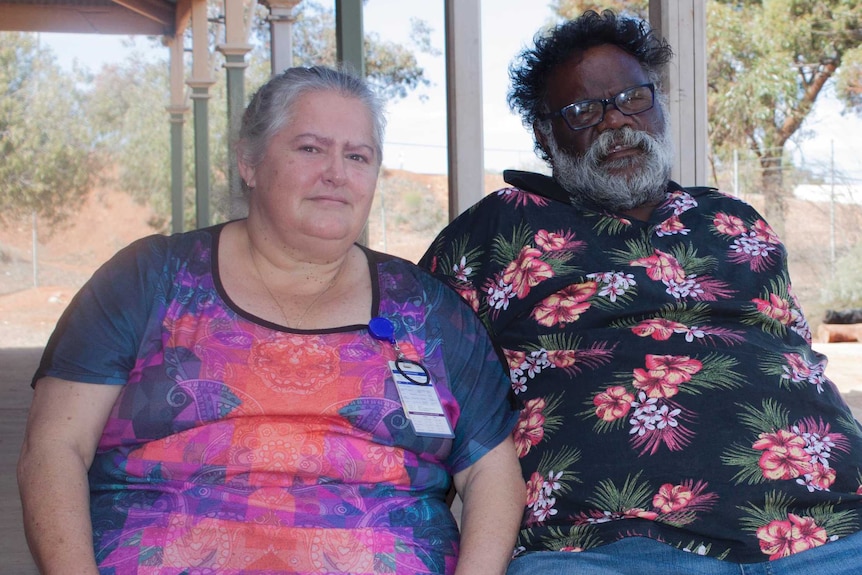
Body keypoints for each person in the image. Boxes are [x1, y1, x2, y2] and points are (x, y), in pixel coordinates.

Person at [17, 65, 524, 575]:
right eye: (310, 148)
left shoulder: (428, 310)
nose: (336, 172)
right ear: (249, 162)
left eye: (357, 156)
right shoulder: (150, 279)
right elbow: (56, 447)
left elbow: (490, 472)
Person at [419, 10, 862, 575]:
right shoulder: (498, 230)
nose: (615, 123)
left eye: (633, 97)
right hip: (606, 542)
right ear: (544, 134)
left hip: (834, 526)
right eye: (583, 110)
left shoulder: (734, 220)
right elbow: (404, 356)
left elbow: (792, 358)